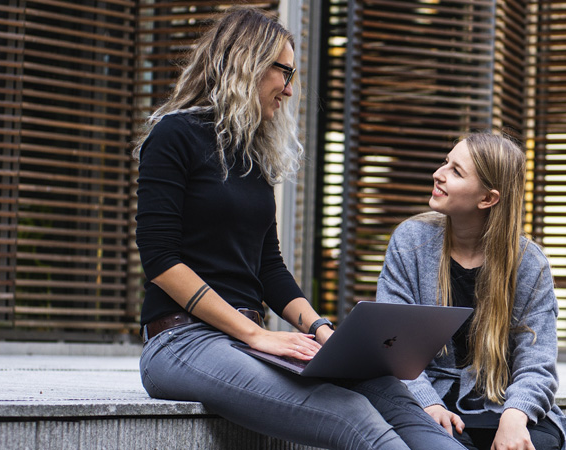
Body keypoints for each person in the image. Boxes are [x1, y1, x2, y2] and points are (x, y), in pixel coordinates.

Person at [132, 7, 464, 449]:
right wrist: (257, 334)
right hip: (182, 342)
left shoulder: (253, 157)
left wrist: (324, 331)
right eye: (284, 72)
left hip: (247, 342)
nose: (290, 90)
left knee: (391, 396)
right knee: (352, 416)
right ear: (246, 62)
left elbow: (269, 269)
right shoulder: (174, 136)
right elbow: (160, 261)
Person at [375, 133, 566, 450]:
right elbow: (392, 345)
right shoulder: (411, 241)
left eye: (456, 171)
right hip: (429, 400)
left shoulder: (529, 264)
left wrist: (515, 416)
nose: (438, 174)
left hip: (502, 401)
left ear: (488, 199)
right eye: (446, 162)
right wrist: (427, 403)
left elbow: (537, 365)